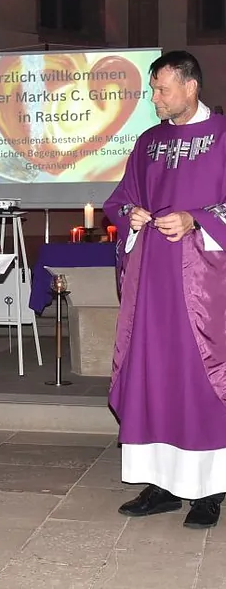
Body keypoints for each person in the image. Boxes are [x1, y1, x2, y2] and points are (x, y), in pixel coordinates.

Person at [104, 50, 226, 529]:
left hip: (205, 287)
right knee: (154, 373)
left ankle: (210, 490)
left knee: (200, 378)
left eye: (162, 89)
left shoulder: (223, 137)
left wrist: (196, 219)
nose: (154, 97)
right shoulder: (149, 141)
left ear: (190, 86)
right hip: (152, 284)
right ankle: (161, 484)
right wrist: (131, 216)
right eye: (153, 88)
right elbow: (121, 200)